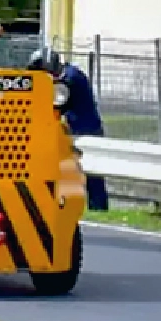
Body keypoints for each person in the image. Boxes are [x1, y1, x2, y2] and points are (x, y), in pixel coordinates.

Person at [32, 47, 109, 211]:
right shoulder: (70, 73)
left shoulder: (69, 78)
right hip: (79, 129)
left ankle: (98, 206)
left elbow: (57, 103)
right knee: (79, 173)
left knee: (92, 174)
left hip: (85, 130)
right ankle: (89, 205)